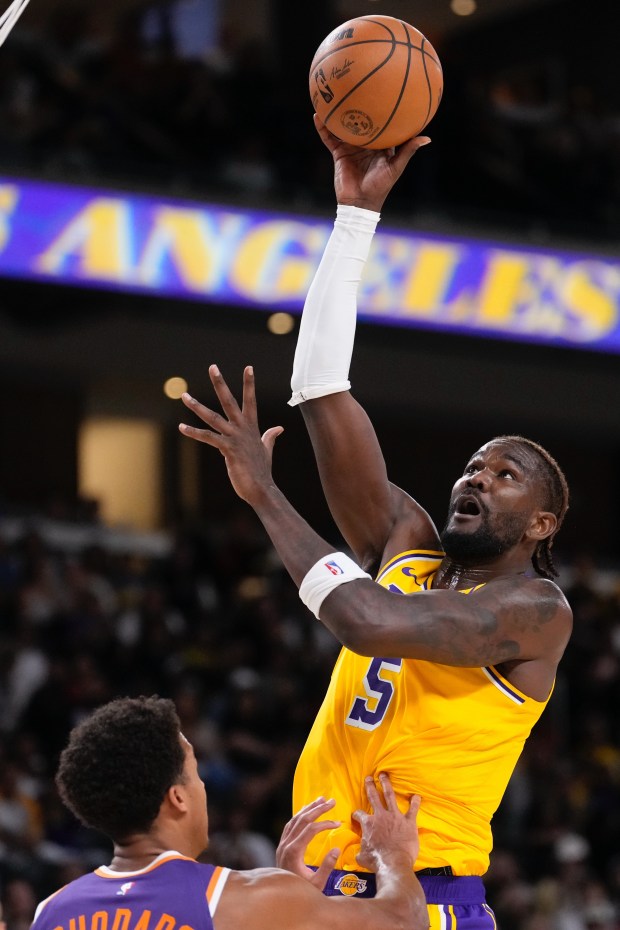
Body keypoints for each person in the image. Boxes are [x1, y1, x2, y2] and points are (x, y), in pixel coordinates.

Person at [178, 117, 573, 929]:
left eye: (505, 475)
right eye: (472, 465)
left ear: (541, 523)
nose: (476, 476)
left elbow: (368, 621)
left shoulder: (538, 613)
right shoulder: (408, 541)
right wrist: (355, 220)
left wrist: (265, 495)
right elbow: (323, 389)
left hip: (426, 899)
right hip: (316, 890)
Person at [30, 695, 428, 930]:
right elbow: (404, 919)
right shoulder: (240, 898)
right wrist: (390, 853)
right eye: (195, 773)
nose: (202, 787)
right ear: (177, 798)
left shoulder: (51, 911)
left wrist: (296, 900)